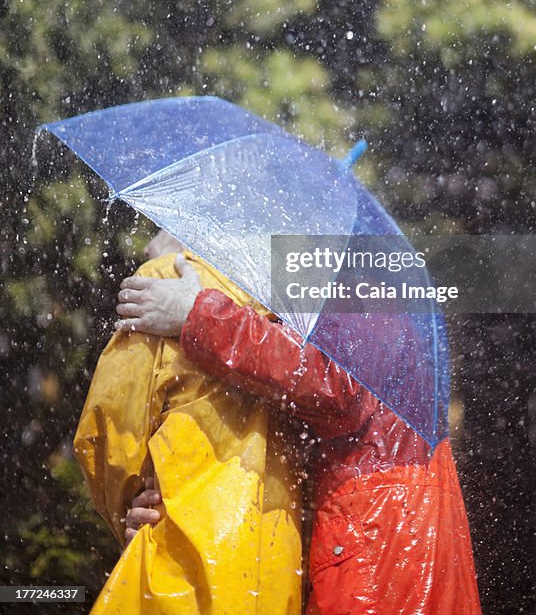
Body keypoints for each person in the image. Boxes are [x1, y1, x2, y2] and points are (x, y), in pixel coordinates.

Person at [117, 254, 483, 615]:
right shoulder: (335, 288)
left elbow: (332, 382)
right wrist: (166, 512)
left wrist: (197, 314)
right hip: (386, 539)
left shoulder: (359, 287)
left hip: (382, 545)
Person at [75, 231, 303, 615]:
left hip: (179, 560)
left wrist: (126, 504)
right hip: (276, 563)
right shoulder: (296, 302)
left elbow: (109, 431)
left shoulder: (163, 280)